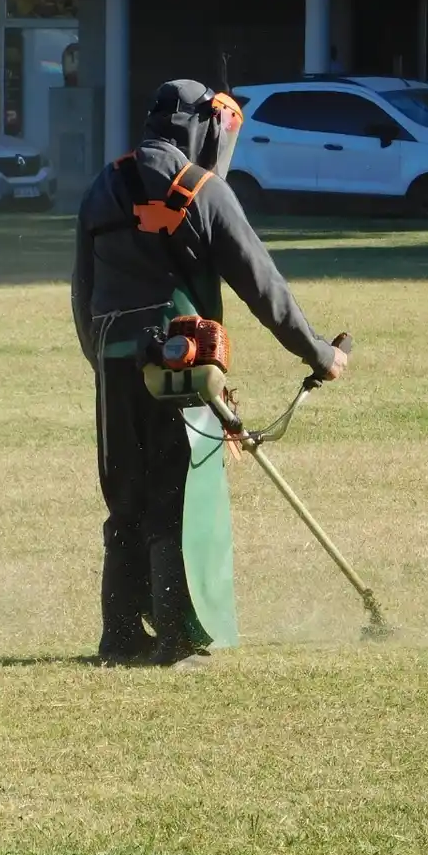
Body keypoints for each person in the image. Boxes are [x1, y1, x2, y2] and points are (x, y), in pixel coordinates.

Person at [71, 79, 348, 668]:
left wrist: (102, 359)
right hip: (184, 365)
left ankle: (120, 636)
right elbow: (262, 286)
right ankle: (176, 637)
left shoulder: (102, 186)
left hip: (114, 362)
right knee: (175, 494)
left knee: (125, 498)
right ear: (203, 129)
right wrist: (319, 353)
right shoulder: (204, 191)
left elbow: (82, 294)